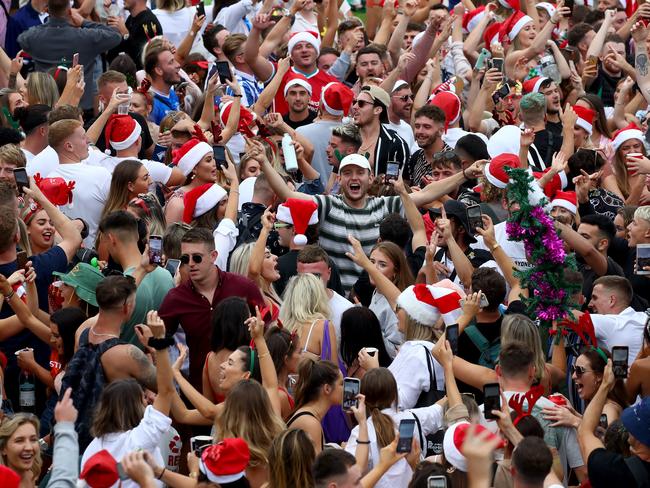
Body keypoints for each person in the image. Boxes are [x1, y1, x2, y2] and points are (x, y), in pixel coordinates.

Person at [158, 227, 264, 390]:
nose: (191, 264)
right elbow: (158, 338)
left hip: (244, 391)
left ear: (213, 256)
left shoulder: (243, 287)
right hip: (197, 391)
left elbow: (268, 329)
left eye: (197, 258)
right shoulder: (176, 298)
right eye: (185, 259)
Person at [81, 310, 174, 488]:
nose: (147, 402)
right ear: (135, 406)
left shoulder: (92, 450)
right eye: (143, 399)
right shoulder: (141, 439)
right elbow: (166, 391)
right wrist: (159, 341)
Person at [17, 0, 121, 114]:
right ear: (69, 10)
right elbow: (115, 35)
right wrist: (84, 22)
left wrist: (48, 23)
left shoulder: (34, 37)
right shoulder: (85, 37)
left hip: (45, 107)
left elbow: (22, 39)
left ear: (47, 9)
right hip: (80, 110)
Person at [96, 210, 174, 345]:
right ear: (137, 235)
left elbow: (102, 335)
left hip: (123, 362)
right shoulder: (166, 276)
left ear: (111, 239)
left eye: (104, 241)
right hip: (159, 361)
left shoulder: (118, 290)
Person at [579, 366, 650, 487]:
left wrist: (605, 385)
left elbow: (585, 433)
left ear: (640, 437)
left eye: (633, 422)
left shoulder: (615, 472)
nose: (626, 427)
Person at [46, 119, 110, 247]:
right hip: (98, 257)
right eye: (83, 137)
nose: (88, 141)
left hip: (65, 254)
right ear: (69, 146)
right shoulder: (100, 174)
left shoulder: (47, 180)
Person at [296, 86, 355, 187]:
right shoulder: (355, 132)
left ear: (322, 104)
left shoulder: (300, 132)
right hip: (344, 195)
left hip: (310, 197)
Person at [287, 358, 343, 454]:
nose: (345, 388)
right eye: (341, 384)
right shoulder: (310, 423)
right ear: (327, 389)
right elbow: (316, 468)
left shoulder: (310, 417)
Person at [352, 85, 409, 177]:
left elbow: (394, 184)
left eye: (361, 103)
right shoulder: (346, 137)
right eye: (354, 102)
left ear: (377, 110)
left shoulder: (394, 144)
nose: (354, 106)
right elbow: (334, 177)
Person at [588, 276, 647, 361]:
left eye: (594, 298)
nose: (590, 304)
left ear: (611, 300)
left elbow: (568, 316)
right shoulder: (643, 317)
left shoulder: (612, 323)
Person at [106, 0, 163, 70]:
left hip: (141, 79)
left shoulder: (148, 22)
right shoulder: (132, 18)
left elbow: (145, 59)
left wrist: (126, 35)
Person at [0, 414, 42, 487]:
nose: (29, 447)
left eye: (33, 439)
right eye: (19, 441)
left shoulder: (31, 473)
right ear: (3, 448)